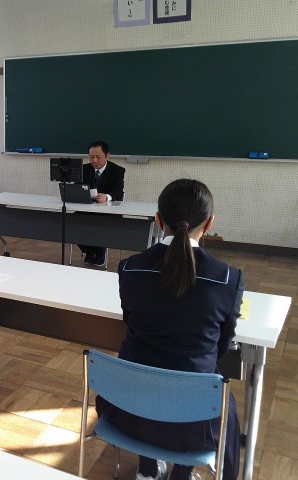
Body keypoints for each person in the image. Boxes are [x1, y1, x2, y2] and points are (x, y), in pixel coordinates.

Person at [95, 179, 243, 480]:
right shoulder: (228, 278)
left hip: (127, 412)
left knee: (146, 368)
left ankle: (148, 469)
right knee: (207, 384)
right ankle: (182, 474)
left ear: (158, 220)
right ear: (210, 223)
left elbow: (130, 322)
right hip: (194, 425)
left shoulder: (130, 268)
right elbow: (221, 347)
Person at [78, 140, 125, 266]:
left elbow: (118, 193)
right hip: (87, 211)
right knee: (71, 222)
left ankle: (99, 252)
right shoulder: (84, 169)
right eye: (91, 157)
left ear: (107, 156)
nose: (94, 160)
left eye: (98, 157)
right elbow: (77, 188)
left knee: (100, 224)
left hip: (108, 213)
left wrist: (107, 197)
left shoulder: (117, 171)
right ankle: (89, 251)